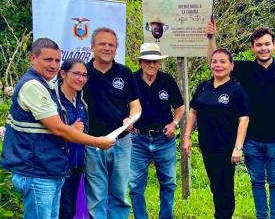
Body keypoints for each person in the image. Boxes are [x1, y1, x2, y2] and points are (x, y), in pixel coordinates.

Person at [0, 38, 114, 219]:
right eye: (47, 60)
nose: (53, 65)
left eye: (56, 60)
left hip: (51, 169)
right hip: (36, 171)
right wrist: (98, 142)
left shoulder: (47, 87)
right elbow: (59, 130)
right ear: (32, 58)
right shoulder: (33, 86)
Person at [206, 22, 275, 219]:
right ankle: (262, 216)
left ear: (274, 45)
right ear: (252, 48)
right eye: (259, 45)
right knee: (257, 181)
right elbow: (216, 61)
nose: (263, 48)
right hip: (252, 139)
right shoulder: (243, 69)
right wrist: (211, 38)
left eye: (267, 44)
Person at [183, 48, 250, 219]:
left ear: (231, 65)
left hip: (227, 148)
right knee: (215, 185)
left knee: (225, 187)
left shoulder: (236, 90)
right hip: (207, 146)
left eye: (223, 61)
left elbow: (244, 119)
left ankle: (223, 216)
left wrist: (238, 148)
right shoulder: (203, 87)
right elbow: (193, 112)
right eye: (214, 61)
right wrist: (187, 136)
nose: (218, 65)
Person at [83, 27, 142, 219]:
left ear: (116, 49)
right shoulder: (83, 73)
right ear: (92, 46)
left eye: (112, 45)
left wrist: (131, 119)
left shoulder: (125, 73)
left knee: (119, 195)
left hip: (121, 142)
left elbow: (136, 106)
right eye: (102, 44)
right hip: (92, 143)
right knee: (96, 196)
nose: (107, 48)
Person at [128, 43, 184, 219]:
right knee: (136, 185)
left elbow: (180, 107)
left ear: (159, 63)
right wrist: (126, 121)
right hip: (137, 139)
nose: (151, 65)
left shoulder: (167, 80)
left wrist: (174, 123)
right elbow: (123, 106)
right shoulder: (132, 80)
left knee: (169, 183)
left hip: (164, 139)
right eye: (147, 61)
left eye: (155, 62)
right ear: (140, 62)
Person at [54, 58, 89, 219]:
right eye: (76, 74)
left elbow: (84, 133)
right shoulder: (54, 102)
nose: (81, 78)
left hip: (77, 166)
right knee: (62, 212)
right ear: (62, 73)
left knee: (72, 211)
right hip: (59, 168)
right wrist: (71, 131)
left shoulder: (81, 102)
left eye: (84, 75)